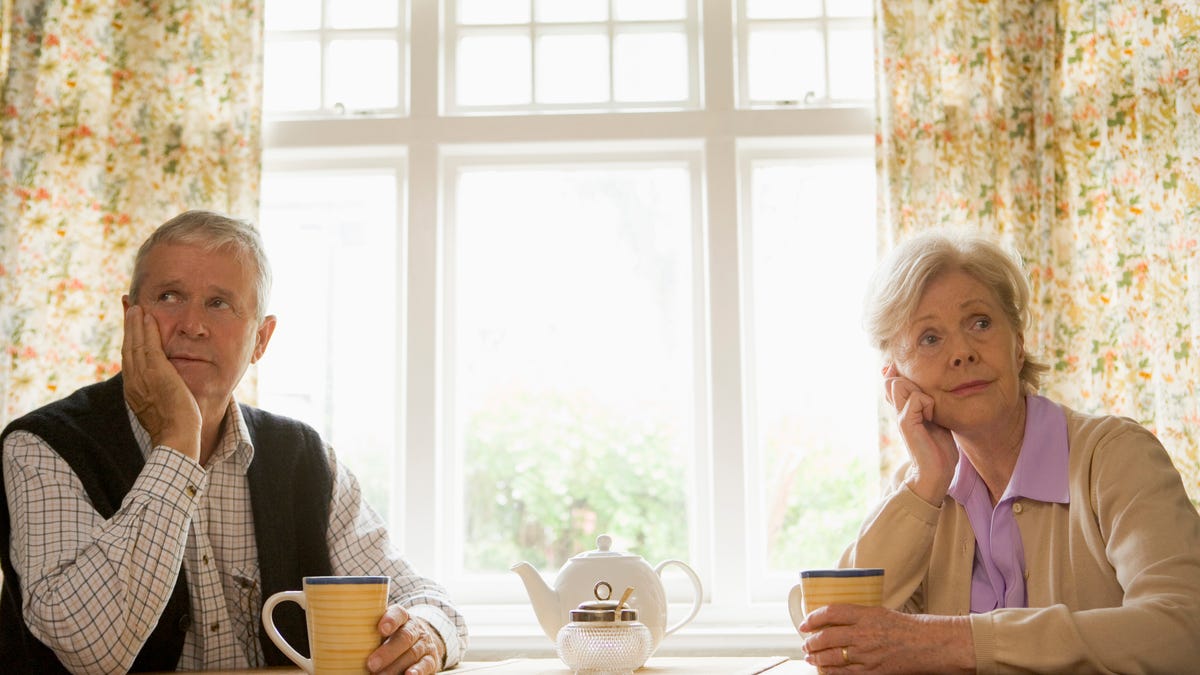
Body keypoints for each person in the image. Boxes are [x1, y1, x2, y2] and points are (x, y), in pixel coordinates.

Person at [0, 210, 467, 674]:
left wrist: (424, 634)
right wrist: (178, 444)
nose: (192, 325)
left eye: (219, 303)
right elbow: (89, 653)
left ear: (261, 339)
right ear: (130, 318)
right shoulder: (41, 446)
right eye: (169, 296)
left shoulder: (302, 458)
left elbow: (425, 601)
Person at [799, 231, 1200, 673]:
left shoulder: (1114, 457)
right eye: (929, 338)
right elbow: (829, 632)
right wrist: (925, 482)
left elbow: (1183, 630)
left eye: (980, 323)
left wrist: (953, 642)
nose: (963, 353)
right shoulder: (921, 490)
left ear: (1018, 341)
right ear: (896, 377)